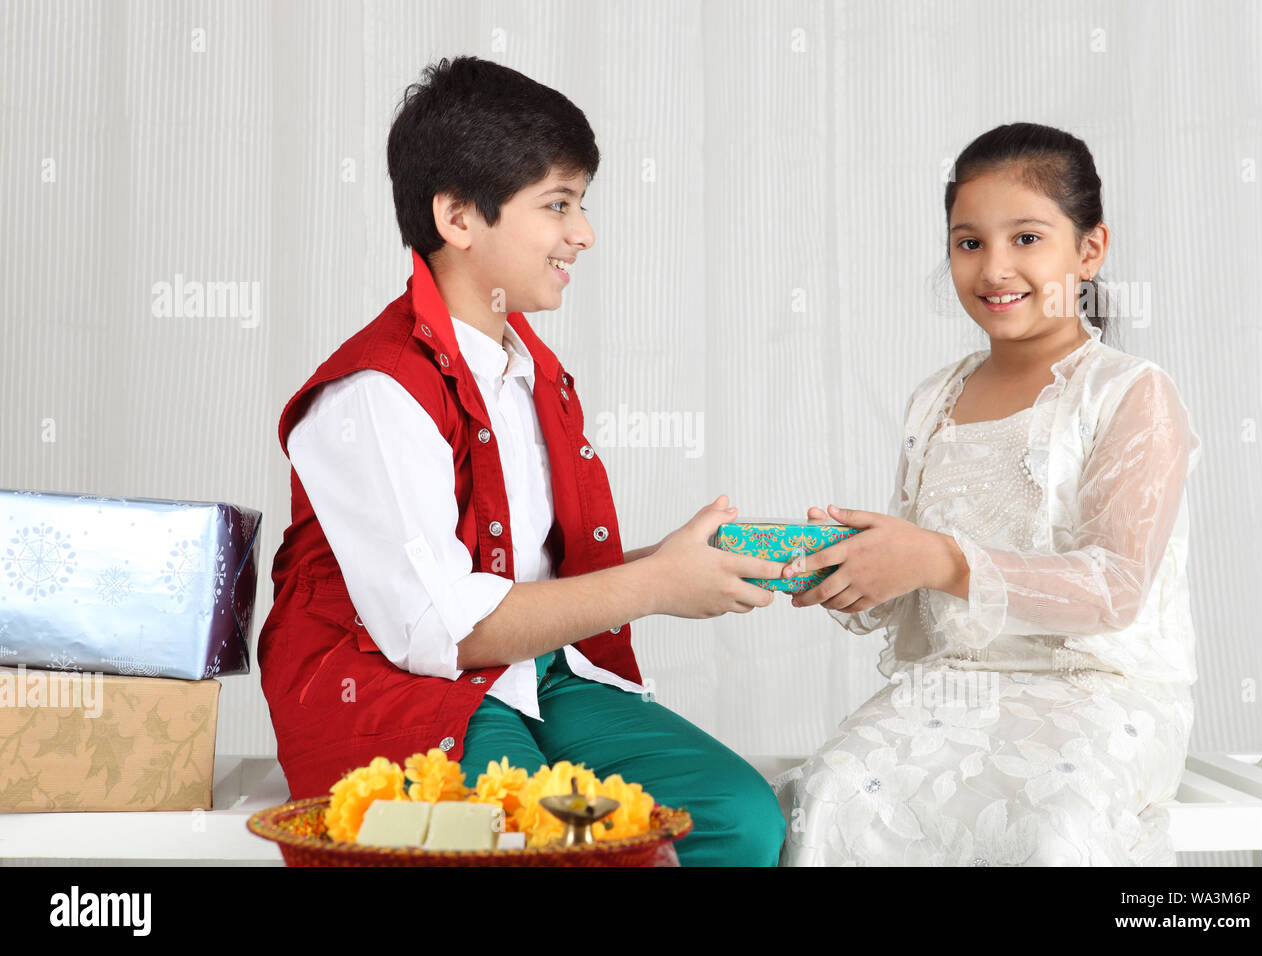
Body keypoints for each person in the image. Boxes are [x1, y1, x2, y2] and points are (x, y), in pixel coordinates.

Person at [257, 56, 788, 866]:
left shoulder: (525, 368)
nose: (584, 232)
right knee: (548, 839)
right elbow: (435, 629)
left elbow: (526, 579)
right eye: (559, 205)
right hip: (403, 685)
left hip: (529, 666)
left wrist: (685, 564)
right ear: (459, 217)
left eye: (581, 204)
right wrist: (652, 586)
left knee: (735, 820)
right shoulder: (374, 394)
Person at [776, 122, 1202, 865]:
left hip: (1099, 693)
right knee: (833, 793)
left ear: (1090, 249)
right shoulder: (935, 398)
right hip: (951, 690)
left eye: (1027, 238)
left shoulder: (1129, 393)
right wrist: (849, 564)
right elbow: (917, 592)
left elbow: (1117, 588)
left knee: (1048, 818)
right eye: (968, 242)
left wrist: (935, 558)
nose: (995, 267)